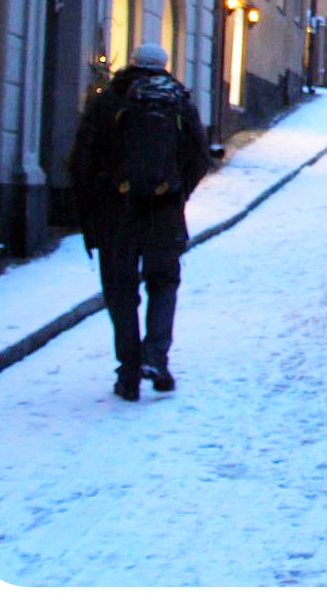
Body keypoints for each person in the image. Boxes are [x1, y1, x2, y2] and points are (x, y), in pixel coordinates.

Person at [67, 43, 210, 401]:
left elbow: (82, 158)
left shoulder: (109, 99)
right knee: (163, 283)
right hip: (164, 210)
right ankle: (156, 357)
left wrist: (97, 198)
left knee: (121, 291)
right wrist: (177, 193)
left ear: (132, 63)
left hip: (117, 210)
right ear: (163, 66)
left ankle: (128, 371)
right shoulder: (178, 101)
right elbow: (198, 157)